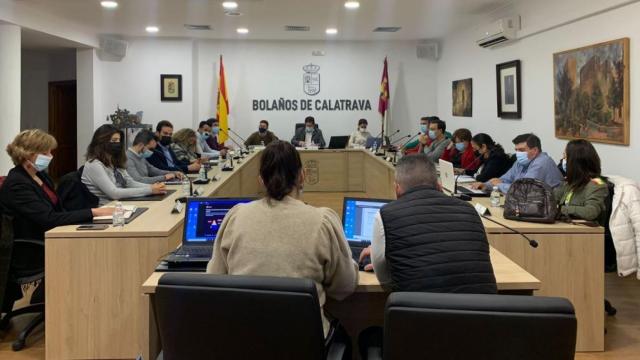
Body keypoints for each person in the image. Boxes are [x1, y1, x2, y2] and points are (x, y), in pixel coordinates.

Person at [207, 141, 358, 336]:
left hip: (243, 341)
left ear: (261, 179)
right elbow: (344, 287)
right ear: (302, 176)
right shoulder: (323, 220)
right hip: (304, 343)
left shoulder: (236, 215)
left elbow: (214, 280)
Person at [0, 129, 113, 314]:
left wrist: (91, 217)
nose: (50, 156)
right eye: (46, 153)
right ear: (29, 154)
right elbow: (49, 219)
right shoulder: (17, 183)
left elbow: (57, 211)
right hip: (31, 249)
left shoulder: (39, 176)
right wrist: (94, 212)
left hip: (48, 236)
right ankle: (79, 307)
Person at [358, 153, 497, 292]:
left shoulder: (385, 215)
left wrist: (381, 253)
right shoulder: (469, 210)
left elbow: (385, 282)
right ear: (439, 186)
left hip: (418, 310)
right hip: (480, 309)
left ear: (397, 189)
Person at [82, 124, 166, 205]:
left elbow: (129, 182)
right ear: (101, 142)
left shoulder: (114, 162)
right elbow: (114, 193)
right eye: (114, 140)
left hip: (121, 205)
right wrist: (149, 190)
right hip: (106, 209)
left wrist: (153, 187)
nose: (118, 144)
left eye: (119, 141)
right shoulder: (94, 165)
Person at [472, 133, 563, 193]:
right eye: (516, 150)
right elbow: (504, 179)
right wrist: (486, 185)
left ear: (535, 150)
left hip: (549, 208)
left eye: (521, 150)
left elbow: (523, 189)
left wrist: (499, 185)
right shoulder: (521, 161)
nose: (518, 153)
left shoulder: (542, 162)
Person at [554, 140, 607, 223]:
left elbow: (591, 212)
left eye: (565, 157)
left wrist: (560, 209)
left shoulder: (597, 184)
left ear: (575, 161)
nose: (562, 161)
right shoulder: (569, 182)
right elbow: (552, 200)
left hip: (585, 232)